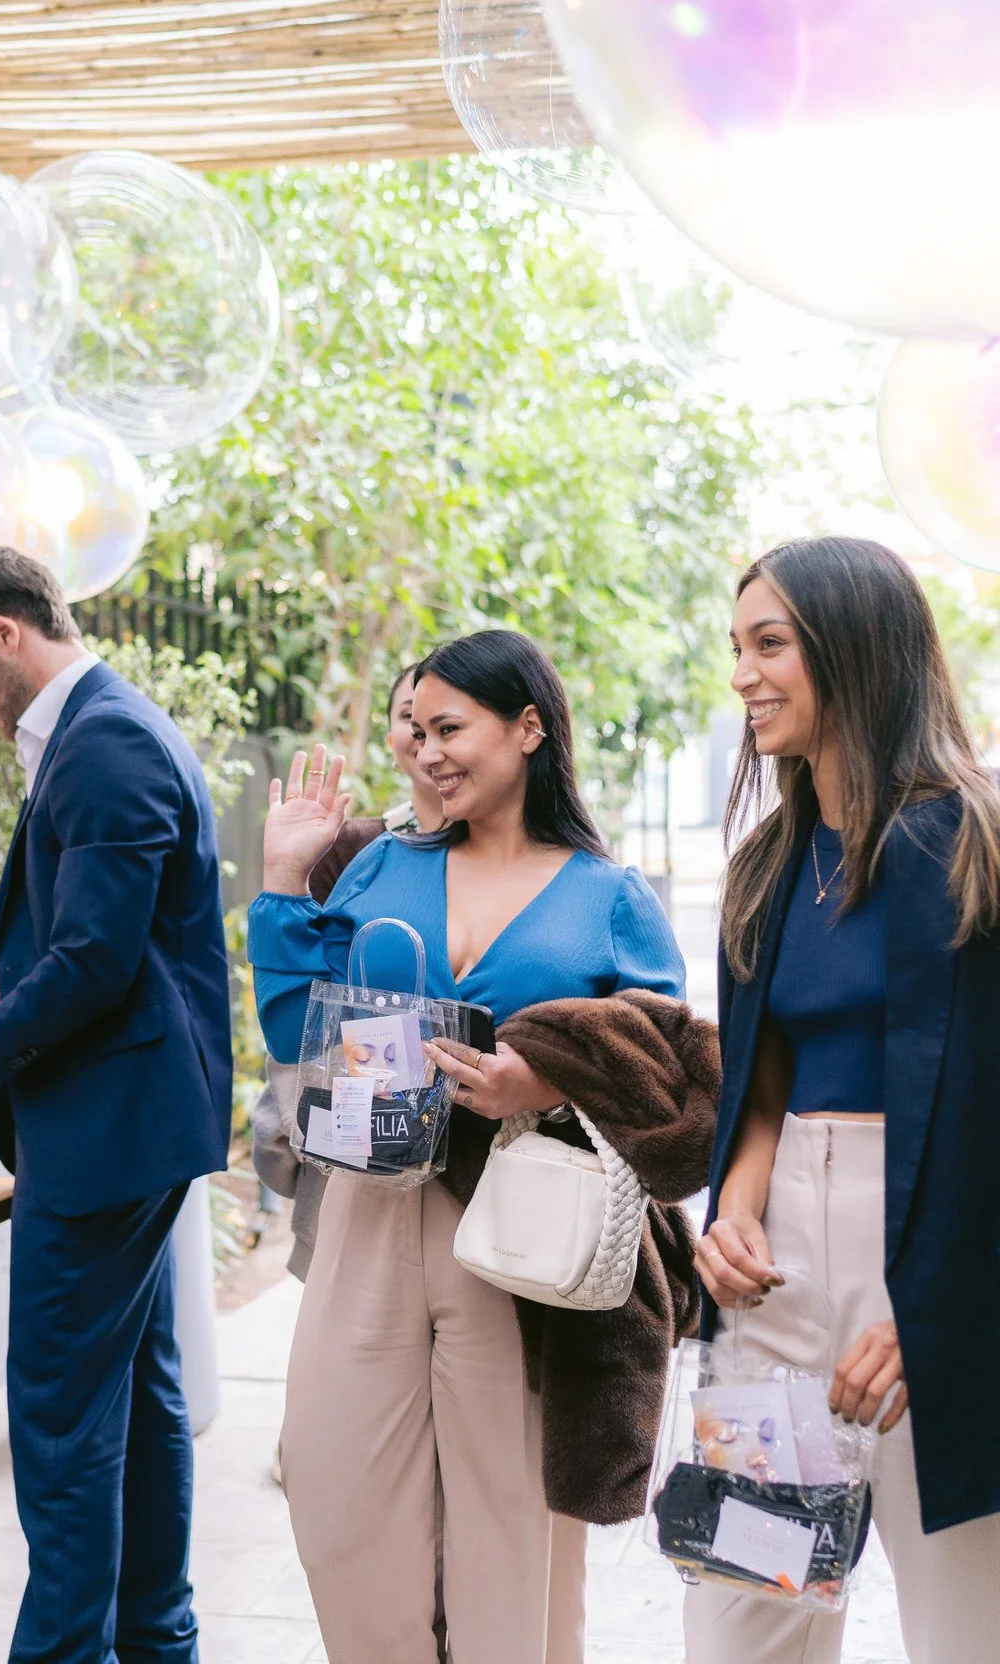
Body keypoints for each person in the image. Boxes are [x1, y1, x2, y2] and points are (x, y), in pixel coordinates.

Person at [247, 629, 688, 1664]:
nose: (428, 750)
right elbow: (291, 1034)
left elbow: (669, 1061)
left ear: (528, 728)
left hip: (517, 1219)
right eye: (418, 730)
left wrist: (553, 1069)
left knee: (508, 1512)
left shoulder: (605, 892)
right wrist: (281, 881)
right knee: (334, 1479)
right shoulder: (381, 868)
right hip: (367, 1206)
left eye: (451, 728)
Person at [0, 543, 232, 1664]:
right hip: (126, 1126)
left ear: (2, 634)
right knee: (138, 1399)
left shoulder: (105, 740)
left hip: (108, 1131)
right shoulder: (97, 731)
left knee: (62, 1420)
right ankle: (154, 1640)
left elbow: (90, 962)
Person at [688, 537, 1000, 1664]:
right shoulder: (768, 865)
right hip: (778, 1273)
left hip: (938, 1266)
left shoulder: (977, 843)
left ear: (856, 650)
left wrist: (941, 1311)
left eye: (770, 644)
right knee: (744, 1623)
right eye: (737, 646)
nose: (742, 675)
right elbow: (763, 1086)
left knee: (966, 1625)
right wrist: (731, 1209)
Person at [251, 663, 444, 1280]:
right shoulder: (349, 848)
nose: (426, 737)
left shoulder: (541, 864)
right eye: (410, 718)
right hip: (358, 1141)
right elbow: (302, 1020)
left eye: (447, 721)